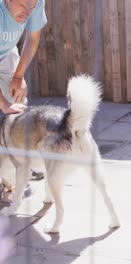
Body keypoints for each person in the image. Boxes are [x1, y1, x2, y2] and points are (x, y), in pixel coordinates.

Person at [0, 0, 47, 191]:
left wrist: (18, 76)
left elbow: (32, 39)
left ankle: (17, 168)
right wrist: (3, 104)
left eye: (32, 7)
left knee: (18, 110)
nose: (28, 12)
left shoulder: (34, 3)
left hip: (6, 56)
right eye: (22, 5)